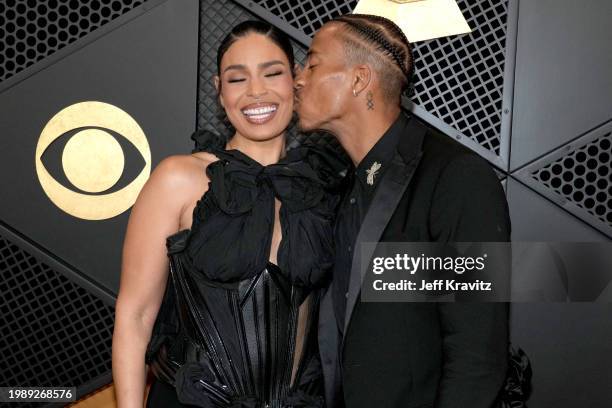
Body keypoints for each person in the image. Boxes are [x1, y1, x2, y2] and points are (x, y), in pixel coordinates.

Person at [112, 20, 344, 408]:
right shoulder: (179, 179)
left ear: (295, 81)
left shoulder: (322, 188)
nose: (257, 92)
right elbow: (134, 318)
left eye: (272, 73)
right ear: (220, 92)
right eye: (238, 80)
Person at [294, 14, 510, 408]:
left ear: (359, 80)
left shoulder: (456, 176)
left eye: (312, 63)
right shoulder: (339, 182)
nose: (299, 78)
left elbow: (477, 354)